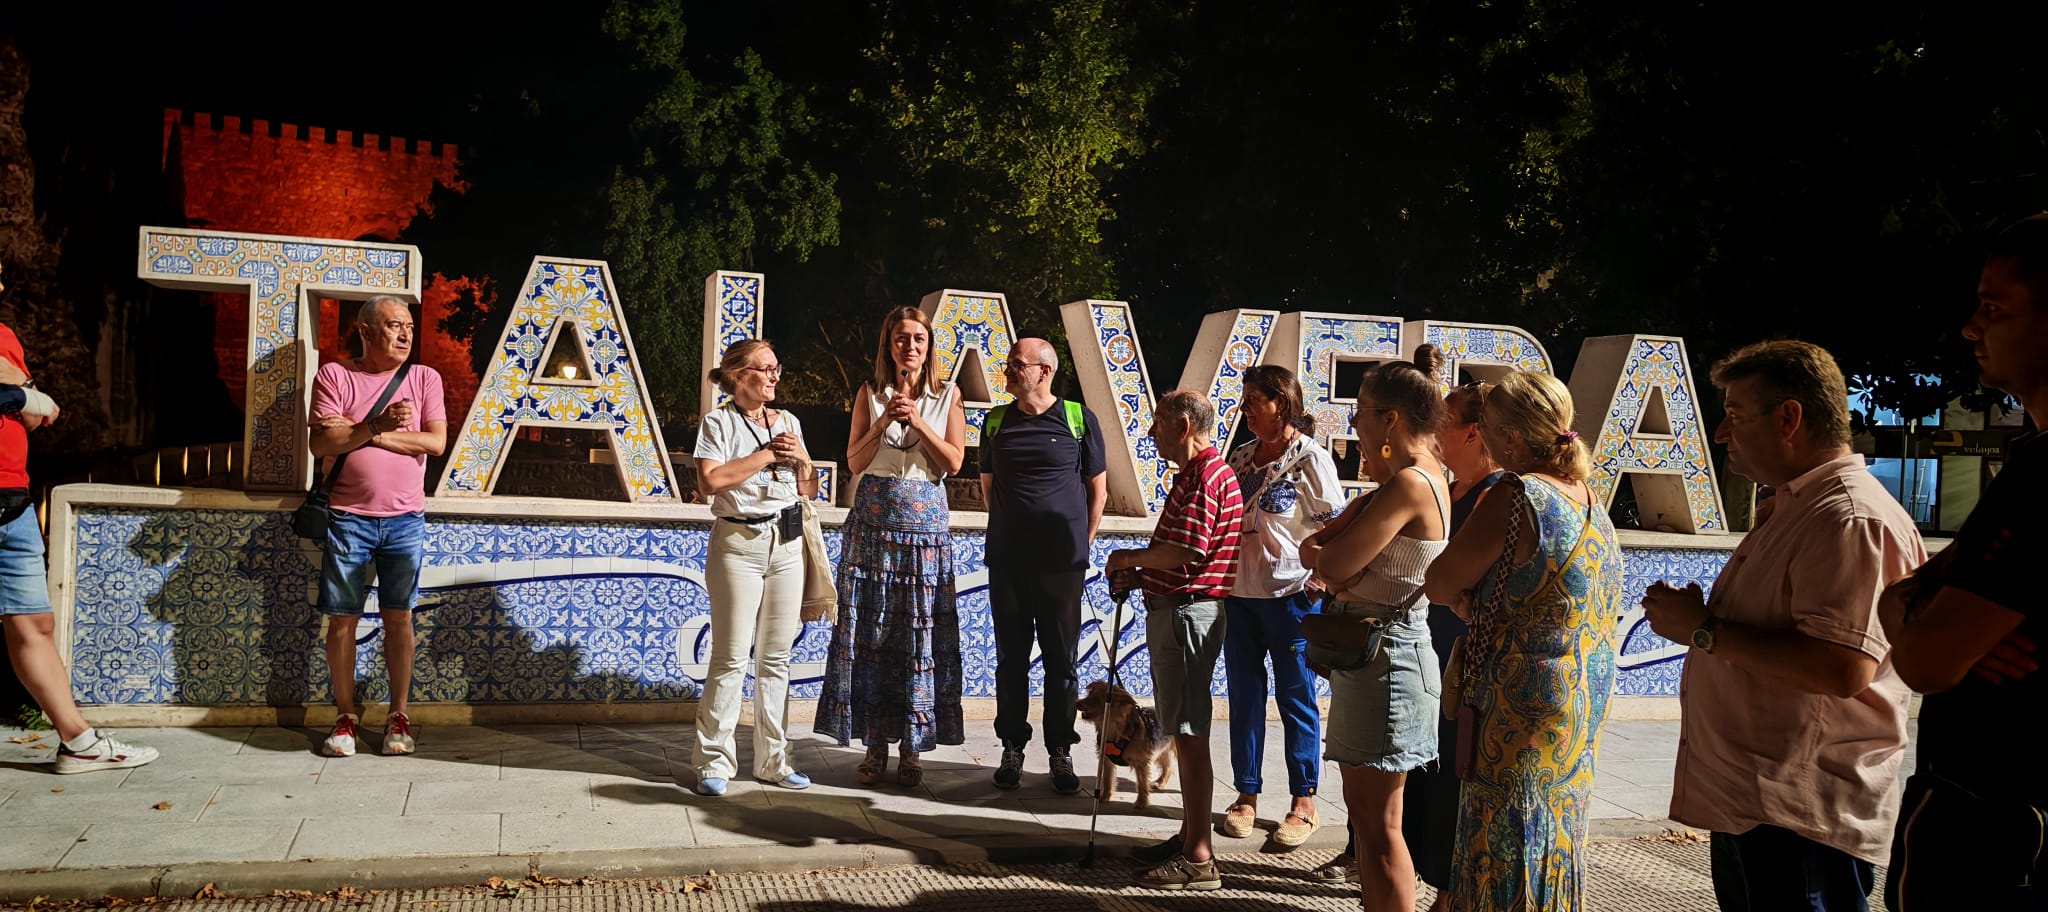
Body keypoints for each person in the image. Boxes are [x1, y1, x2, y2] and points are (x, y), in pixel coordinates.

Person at [1640, 340, 1922, 912]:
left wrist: (1702, 631)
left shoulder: (1850, 519)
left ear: (1789, 417)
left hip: (1801, 813)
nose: (1722, 433)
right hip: (1760, 804)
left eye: (1737, 416)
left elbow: (1842, 667)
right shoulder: (1802, 508)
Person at [1880, 214, 2048, 910]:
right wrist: (1926, 604)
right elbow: (1902, 606)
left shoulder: (2043, 478)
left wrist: (1928, 612)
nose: (1971, 328)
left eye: (1993, 307)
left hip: (2002, 843)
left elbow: (1923, 661)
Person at [1422, 369, 1623, 912]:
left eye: (1484, 426)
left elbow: (1440, 582)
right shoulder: (1586, 496)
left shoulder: (1517, 495)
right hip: (1574, 708)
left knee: (1502, 840)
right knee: (1550, 836)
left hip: (1516, 709)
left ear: (1510, 437)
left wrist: (1470, 602)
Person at [1298, 346, 1451, 912]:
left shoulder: (1411, 484)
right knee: (1371, 822)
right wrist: (1333, 560)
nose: (1353, 421)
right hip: (1381, 656)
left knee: (1378, 826)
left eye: (1361, 410)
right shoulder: (1415, 478)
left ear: (1391, 419)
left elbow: (1329, 561)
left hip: (1388, 660)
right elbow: (1319, 548)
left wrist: (1336, 566)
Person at [0, 263, 158, 773]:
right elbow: (27, 400)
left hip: (13, 501)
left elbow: (41, 414)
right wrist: (20, 394)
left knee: (35, 624)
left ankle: (78, 743)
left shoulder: (3, 336)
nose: (0, 284)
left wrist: (20, 396)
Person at [816, 307, 968, 787]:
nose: (911, 347)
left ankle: (912, 750)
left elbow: (953, 464)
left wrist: (920, 423)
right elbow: (855, 459)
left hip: (924, 534)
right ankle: (875, 746)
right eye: (902, 338)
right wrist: (883, 421)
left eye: (919, 339)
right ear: (888, 344)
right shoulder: (868, 392)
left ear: (929, 346)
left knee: (916, 639)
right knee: (875, 636)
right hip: (873, 531)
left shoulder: (948, 395)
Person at [1106, 389, 1244, 891]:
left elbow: (1187, 550)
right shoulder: (1198, 474)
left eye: (1160, 422)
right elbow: (1187, 557)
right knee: (1185, 730)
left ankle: (1199, 858)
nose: (1152, 431)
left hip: (1187, 616)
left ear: (1183, 426)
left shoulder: (1206, 476)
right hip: (1181, 609)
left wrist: (1129, 559)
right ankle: (1190, 836)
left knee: (1188, 733)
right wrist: (1142, 575)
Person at [308, 294, 448, 758]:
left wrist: (370, 430)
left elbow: (434, 441)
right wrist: (378, 427)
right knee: (342, 620)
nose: (405, 334)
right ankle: (345, 718)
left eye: (409, 326)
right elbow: (322, 442)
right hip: (348, 518)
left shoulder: (425, 378)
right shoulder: (336, 375)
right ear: (366, 331)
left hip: (405, 519)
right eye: (393, 325)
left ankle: (398, 715)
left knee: (399, 617)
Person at [1386, 379, 1508, 904]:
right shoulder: (1443, 485)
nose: (1433, 431)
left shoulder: (1497, 496)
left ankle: (1448, 892)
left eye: (1444, 421)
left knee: (1449, 779)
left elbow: (1451, 579)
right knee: (1422, 776)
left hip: (1460, 656)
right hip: (1421, 647)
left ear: (1473, 432)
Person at [1219, 365, 1343, 847]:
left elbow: (1334, 525)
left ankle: (1304, 802)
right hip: (1240, 597)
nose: (1247, 407)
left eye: (1256, 399)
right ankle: (1246, 796)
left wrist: (1316, 582)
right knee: (1244, 699)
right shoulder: (1242, 458)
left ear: (1282, 403)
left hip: (1290, 599)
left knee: (1296, 699)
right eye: (1245, 398)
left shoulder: (1311, 459)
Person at [690, 339, 820, 796]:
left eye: (776, 367)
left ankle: (775, 762)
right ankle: (714, 762)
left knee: (777, 658)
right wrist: (767, 454)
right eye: (764, 369)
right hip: (738, 542)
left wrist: (802, 459)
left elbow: (809, 488)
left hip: (785, 541)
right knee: (730, 654)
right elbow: (710, 480)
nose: (773, 377)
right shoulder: (718, 422)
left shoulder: (789, 421)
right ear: (738, 376)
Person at [979, 337, 1107, 795]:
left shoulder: (1076, 418)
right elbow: (988, 488)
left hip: (1061, 566)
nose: (1008, 371)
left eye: (1017, 365)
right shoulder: (996, 421)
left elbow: (1099, 491)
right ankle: (1011, 746)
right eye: (1009, 364)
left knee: (1061, 661)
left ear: (1044, 371)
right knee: (1011, 660)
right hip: (1008, 562)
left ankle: (1060, 750)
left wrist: (1078, 544)